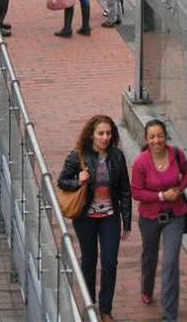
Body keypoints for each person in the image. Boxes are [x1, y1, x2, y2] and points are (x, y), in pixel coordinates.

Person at [57, 115, 132, 320]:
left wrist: (127, 222)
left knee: (109, 263)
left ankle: (106, 309)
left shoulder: (117, 156)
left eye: (108, 133)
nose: (105, 137)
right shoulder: (78, 156)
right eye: (101, 133)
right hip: (86, 218)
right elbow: (62, 181)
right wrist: (78, 181)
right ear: (92, 134)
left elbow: (125, 190)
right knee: (89, 261)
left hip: (110, 216)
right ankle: (89, 305)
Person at [131, 119, 187, 321]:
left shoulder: (176, 153)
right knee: (150, 257)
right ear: (146, 139)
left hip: (175, 216)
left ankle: (169, 316)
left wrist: (179, 190)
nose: (156, 140)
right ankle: (147, 288)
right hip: (149, 218)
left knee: (170, 262)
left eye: (160, 135)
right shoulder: (141, 162)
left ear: (165, 136)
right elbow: (137, 192)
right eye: (152, 137)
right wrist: (161, 196)